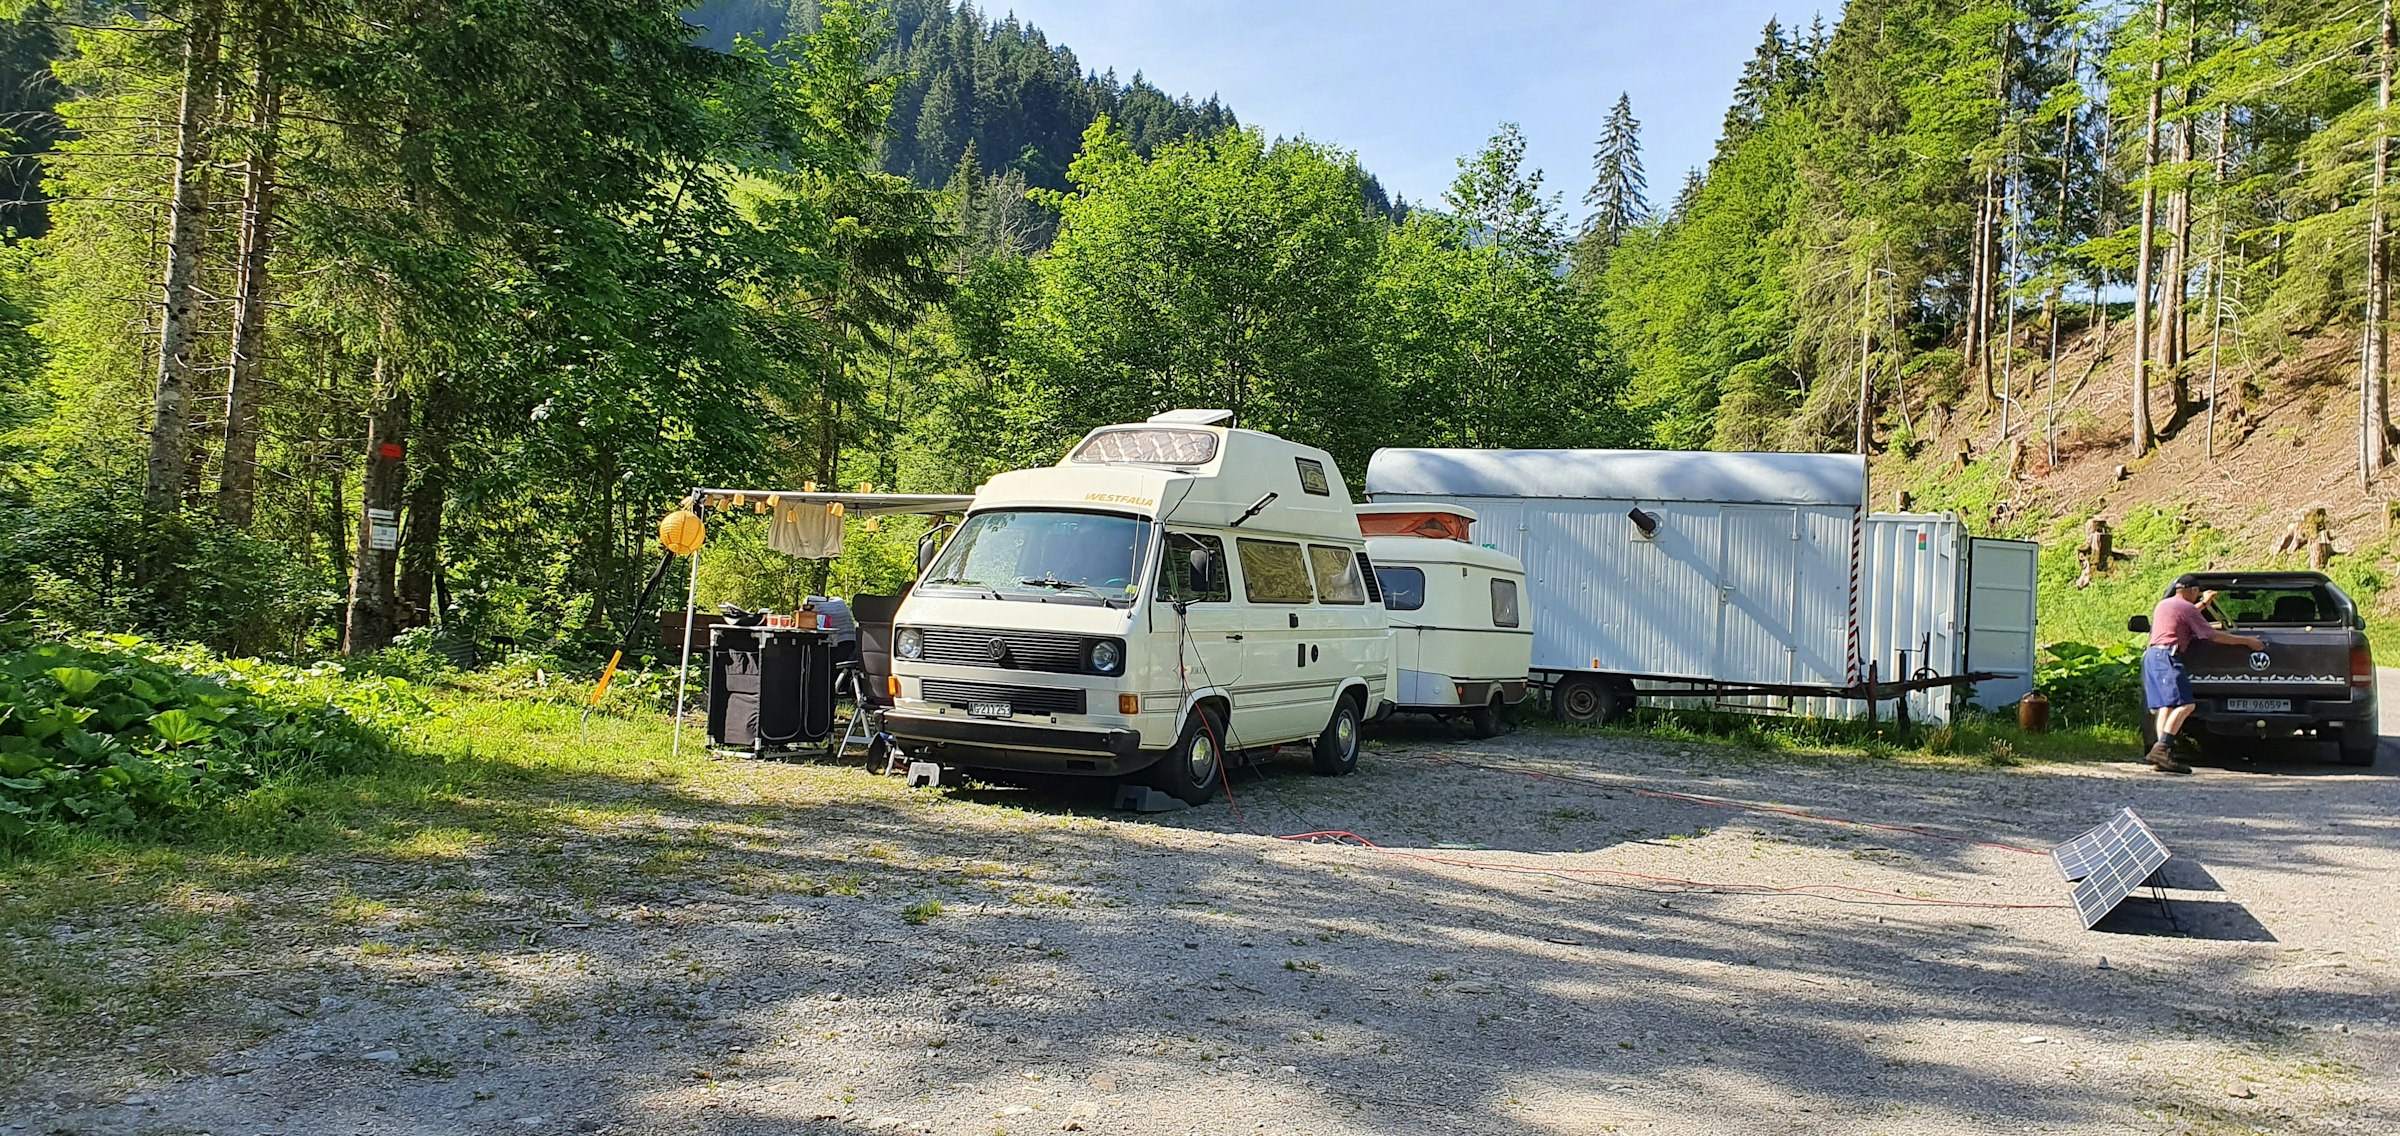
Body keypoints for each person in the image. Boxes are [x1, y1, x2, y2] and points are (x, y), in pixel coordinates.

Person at [2143, 574, 2266, 774]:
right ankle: (2162, 748)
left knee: (2167, 705)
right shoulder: (2187, 608)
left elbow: (2186, 614)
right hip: (2168, 657)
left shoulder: (2165, 605)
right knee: (2186, 704)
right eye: (2197, 593)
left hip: (2153, 656)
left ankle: (2162, 755)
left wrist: (2203, 604)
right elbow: (2212, 635)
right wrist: (2247, 641)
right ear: (2192, 591)